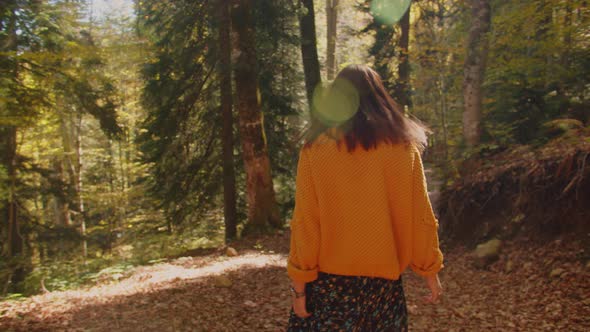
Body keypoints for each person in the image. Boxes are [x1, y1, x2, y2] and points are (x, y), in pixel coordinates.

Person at [286, 64, 444, 331]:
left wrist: (299, 288)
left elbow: (306, 222)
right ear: (379, 98)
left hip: (329, 288)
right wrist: (430, 272)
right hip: (383, 290)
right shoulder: (404, 149)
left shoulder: (315, 149)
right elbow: (421, 216)